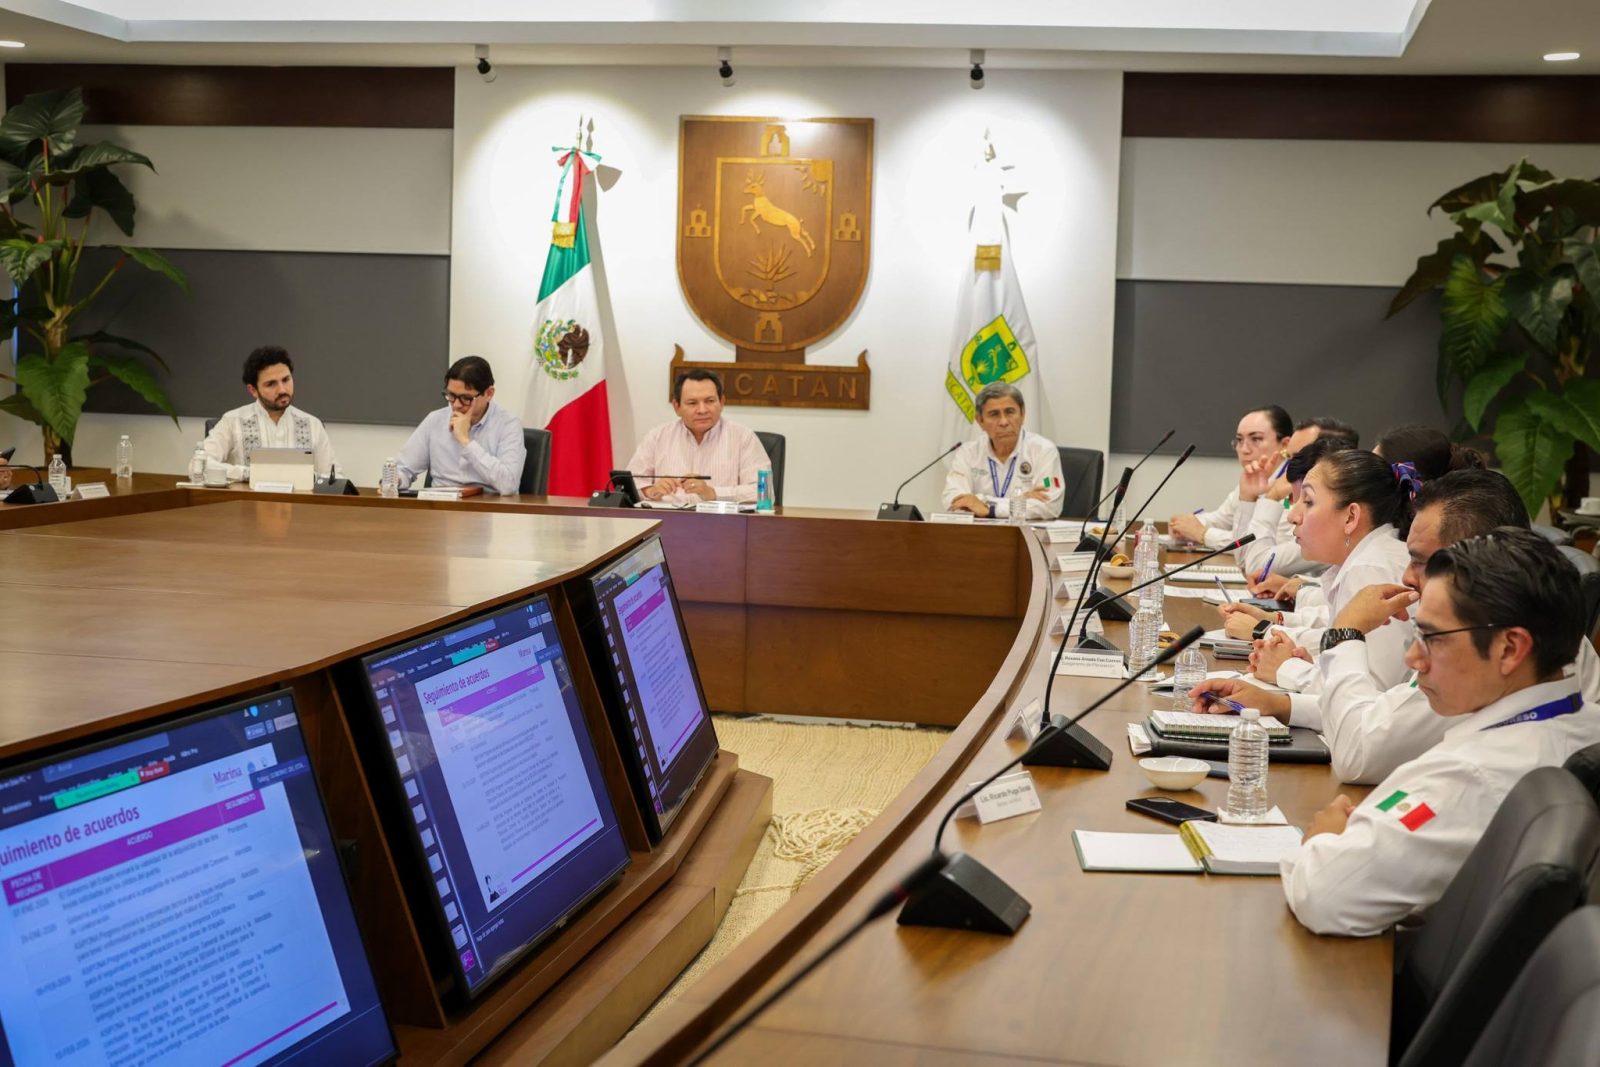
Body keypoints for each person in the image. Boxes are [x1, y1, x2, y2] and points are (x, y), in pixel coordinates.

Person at [1279, 529, 1600, 936]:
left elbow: (1326, 894)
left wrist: (1321, 841)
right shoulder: (1584, 721)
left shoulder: (1472, 776)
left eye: (1431, 638)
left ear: (1509, 649)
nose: (1414, 658)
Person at [1191, 470, 1600, 783]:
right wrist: (1282, 704)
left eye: (1421, 561)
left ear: (1478, 559)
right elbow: (1388, 711)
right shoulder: (1501, 623)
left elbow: (1360, 753)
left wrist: (1344, 634)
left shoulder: (1485, 645)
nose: (1406, 575)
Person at [1233, 450, 1415, 713]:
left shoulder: (1372, 568)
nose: (1292, 515)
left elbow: (1368, 700)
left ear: (1351, 517)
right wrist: (1315, 665)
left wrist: (1288, 669)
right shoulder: (1367, 557)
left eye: (1307, 501)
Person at [626, 369, 771, 504]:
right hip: (667, 519)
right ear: (677, 407)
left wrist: (712, 493)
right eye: (692, 403)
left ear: (721, 402)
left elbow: (764, 493)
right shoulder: (657, 437)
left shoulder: (744, 438)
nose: (702, 410)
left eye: (710, 401)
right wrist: (651, 491)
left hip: (721, 520)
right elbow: (627, 486)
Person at [395, 356, 526, 496]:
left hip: (488, 505)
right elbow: (403, 468)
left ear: (489, 393)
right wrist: (394, 480)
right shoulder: (435, 420)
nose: (456, 405)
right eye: (451, 395)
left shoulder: (508, 425)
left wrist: (465, 441)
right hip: (440, 505)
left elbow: (508, 485)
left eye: (466, 398)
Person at [203, 346, 337, 481]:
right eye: (271, 384)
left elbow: (334, 479)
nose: (282, 390)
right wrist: (247, 474)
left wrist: (308, 477)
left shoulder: (312, 425)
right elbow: (200, 464)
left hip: (300, 495)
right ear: (253, 390)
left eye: (286, 380)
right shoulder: (233, 421)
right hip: (247, 495)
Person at [1168, 405, 1292, 547]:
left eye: (1256, 439)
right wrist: (1185, 524)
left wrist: (1203, 534)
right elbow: (1221, 519)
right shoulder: (1252, 479)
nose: (1244, 449)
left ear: (1285, 444)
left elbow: (1268, 543)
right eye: (1240, 440)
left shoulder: (1293, 484)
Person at [942, 382, 1065, 520]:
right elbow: (954, 500)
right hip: (979, 532)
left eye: (1010, 412)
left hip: (1024, 532)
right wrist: (1021, 499)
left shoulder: (1043, 450)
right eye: (994, 414)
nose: (1003, 422)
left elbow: (1049, 505)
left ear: (1022, 414)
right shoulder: (968, 453)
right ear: (980, 420)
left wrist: (988, 507)